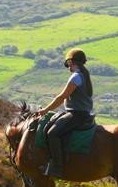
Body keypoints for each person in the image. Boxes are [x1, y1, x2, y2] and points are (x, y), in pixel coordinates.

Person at [35, 48, 94, 177]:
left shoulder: (76, 77)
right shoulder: (84, 75)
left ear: (72, 62)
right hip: (82, 113)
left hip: (76, 114)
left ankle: (57, 167)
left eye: (68, 64)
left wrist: (45, 110)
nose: (68, 67)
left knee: (52, 133)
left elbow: (62, 97)